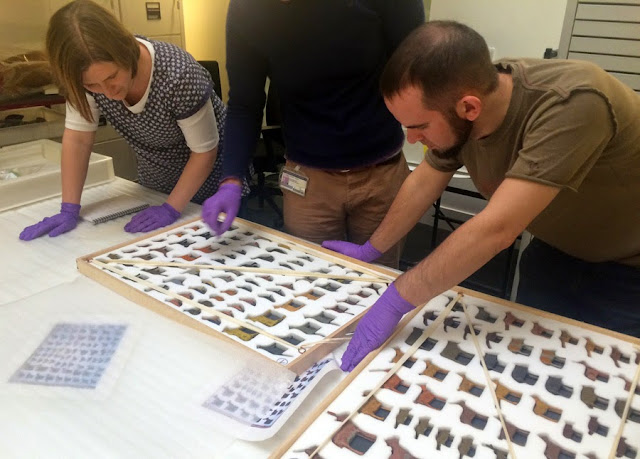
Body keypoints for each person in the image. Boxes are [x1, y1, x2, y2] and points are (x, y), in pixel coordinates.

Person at [324, 20, 640, 371]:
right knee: (530, 367)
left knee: (605, 384)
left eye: (420, 127)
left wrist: (397, 299)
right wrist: (374, 247)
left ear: (469, 108)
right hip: (555, 253)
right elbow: (426, 177)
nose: (410, 140)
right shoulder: (462, 101)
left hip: (629, 274)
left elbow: (497, 228)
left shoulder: (574, 102)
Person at [201, 0, 425, 269]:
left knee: (377, 280)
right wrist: (232, 178)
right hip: (307, 179)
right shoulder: (248, 9)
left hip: (380, 174)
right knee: (310, 281)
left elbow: (417, 70)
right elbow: (244, 103)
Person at [19, 0, 247, 241]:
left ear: (125, 51)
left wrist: (172, 208)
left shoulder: (178, 75)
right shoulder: (83, 80)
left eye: (112, 77)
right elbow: (78, 139)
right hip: (155, 187)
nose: (106, 91)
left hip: (212, 188)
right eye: (92, 85)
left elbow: (204, 152)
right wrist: (69, 207)